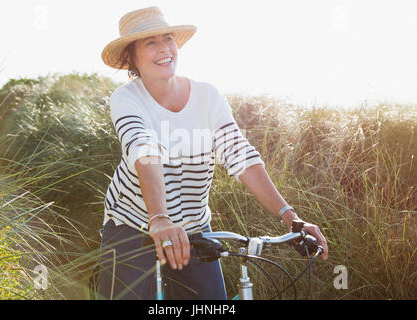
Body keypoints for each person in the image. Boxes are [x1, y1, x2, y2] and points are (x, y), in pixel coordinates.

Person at [97, 6, 328, 300]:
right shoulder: (127, 98)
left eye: (168, 39)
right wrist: (159, 219)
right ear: (131, 56)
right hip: (133, 223)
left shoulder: (207, 96)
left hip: (193, 226)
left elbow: (240, 155)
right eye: (150, 42)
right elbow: (145, 152)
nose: (164, 49)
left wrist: (291, 217)